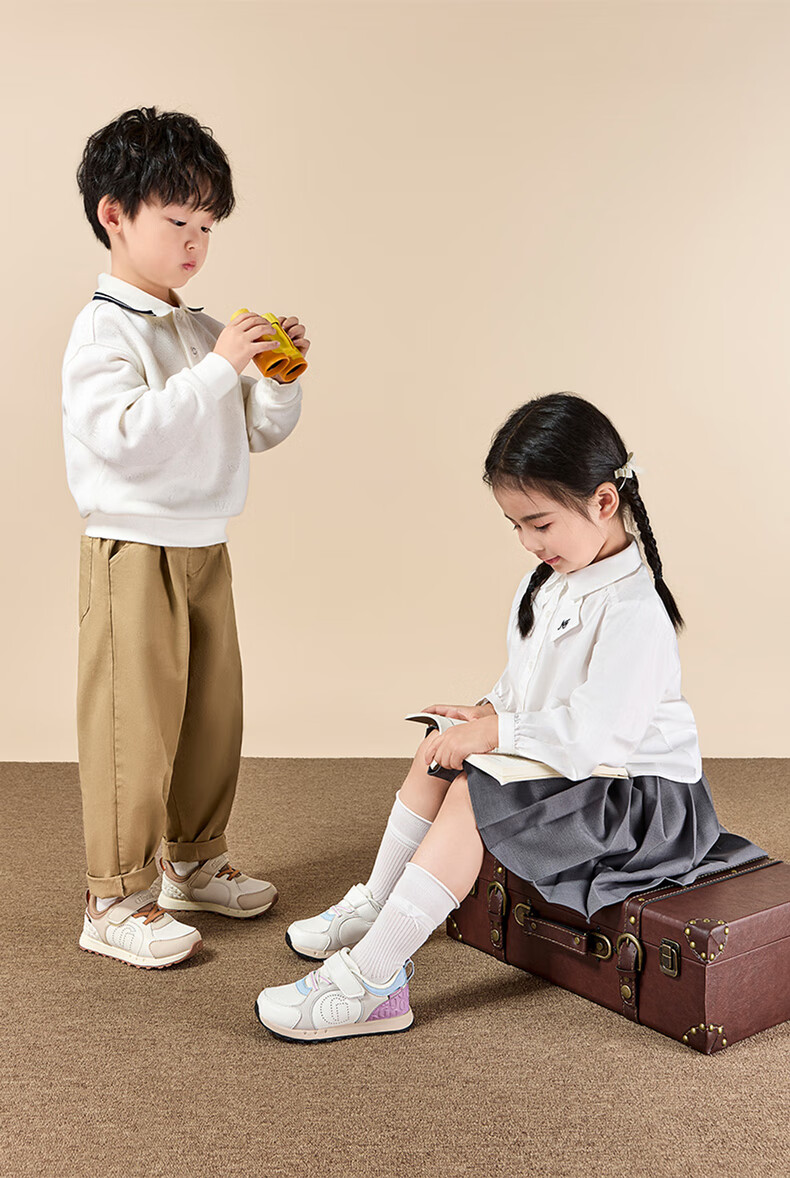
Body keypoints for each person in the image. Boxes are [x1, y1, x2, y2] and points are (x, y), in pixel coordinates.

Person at [254, 391, 766, 1041]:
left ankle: (375, 981)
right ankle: (379, 904)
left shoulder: (635, 610)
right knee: (438, 750)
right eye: (515, 525)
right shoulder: (548, 580)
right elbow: (529, 682)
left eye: (540, 523)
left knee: (476, 787)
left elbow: (597, 736)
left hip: (638, 802)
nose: (527, 541)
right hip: (580, 768)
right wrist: (486, 712)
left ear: (603, 501)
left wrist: (496, 734)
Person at [62, 105, 310, 969]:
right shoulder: (103, 329)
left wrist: (276, 377)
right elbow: (128, 436)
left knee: (211, 715)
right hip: (132, 550)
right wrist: (219, 367)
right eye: (177, 221)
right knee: (132, 727)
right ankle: (113, 899)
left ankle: (194, 864)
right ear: (114, 215)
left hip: (205, 545)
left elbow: (256, 430)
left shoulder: (202, 330)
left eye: (207, 225)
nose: (195, 242)